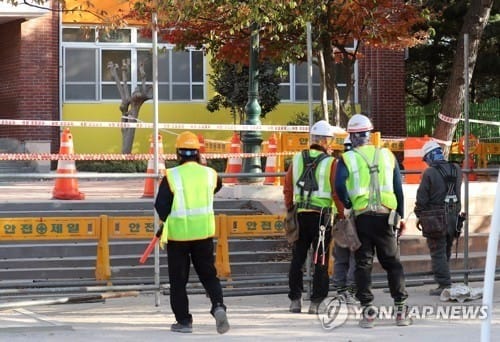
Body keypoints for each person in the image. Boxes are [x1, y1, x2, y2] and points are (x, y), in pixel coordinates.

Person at [335, 114, 411, 328]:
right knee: (392, 263)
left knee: (363, 264)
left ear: (351, 135)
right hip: (386, 216)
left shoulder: (347, 158)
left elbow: (339, 186)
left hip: (362, 218)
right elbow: (398, 189)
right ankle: (401, 310)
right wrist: (400, 217)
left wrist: (349, 204)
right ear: (370, 134)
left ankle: (368, 312)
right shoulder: (387, 155)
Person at [154, 131, 229, 334]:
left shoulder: (172, 176)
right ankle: (218, 306)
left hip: (178, 237)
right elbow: (215, 187)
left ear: (178, 153)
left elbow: (161, 206)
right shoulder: (210, 174)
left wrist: (165, 223)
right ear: (198, 153)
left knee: (178, 281)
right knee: (209, 276)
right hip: (203, 234)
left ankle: (184, 322)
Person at [283, 120, 339, 314]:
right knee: (320, 259)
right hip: (322, 218)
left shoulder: (297, 158)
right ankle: (316, 302)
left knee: (297, 258)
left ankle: (295, 300)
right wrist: (340, 213)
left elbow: (288, 187)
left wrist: (290, 209)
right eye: (330, 140)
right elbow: (335, 191)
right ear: (325, 141)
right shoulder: (331, 162)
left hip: (300, 216)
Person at [414, 140, 463, 296]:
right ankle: (445, 279)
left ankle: (444, 284)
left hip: (436, 217)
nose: (426, 162)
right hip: (454, 216)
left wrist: (419, 214)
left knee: (437, 251)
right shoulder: (457, 169)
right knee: (446, 248)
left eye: (426, 159)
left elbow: (422, 198)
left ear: (430, 156)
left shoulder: (430, 173)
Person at [331, 136, 358, 305]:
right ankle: (351, 291)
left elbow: (335, 190)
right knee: (355, 256)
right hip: (355, 217)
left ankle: (340, 290)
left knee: (341, 256)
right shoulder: (360, 165)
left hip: (339, 218)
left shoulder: (337, 165)